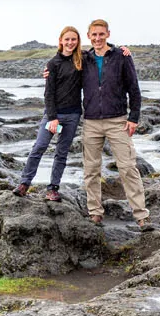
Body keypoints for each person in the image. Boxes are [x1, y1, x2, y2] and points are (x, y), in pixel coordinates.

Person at [80, 18, 152, 230]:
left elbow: (134, 88)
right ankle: (95, 213)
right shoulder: (84, 58)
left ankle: (141, 216)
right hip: (91, 121)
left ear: (108, 34)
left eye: (101, 34)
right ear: (89, 36)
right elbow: (62, 67)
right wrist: (49, 71)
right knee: (91, 169)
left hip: (117, 120)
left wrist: (134, 117)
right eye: (94, 35)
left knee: (128, 167)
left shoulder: (121, 56)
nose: (98, 38)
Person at [13, 26, 84, 201]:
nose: (70, 43)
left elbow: (101, 50)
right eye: (67, 39)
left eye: (73, 39)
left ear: (78, 41)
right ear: (61, 40)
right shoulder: (53, 63)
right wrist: (52, 118)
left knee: (62, 152)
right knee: (39, 147)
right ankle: (24, 184)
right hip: (54, 115)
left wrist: (119, 49)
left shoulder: (82, 60)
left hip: (73, 115)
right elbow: (48, 93)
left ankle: (53, 189)